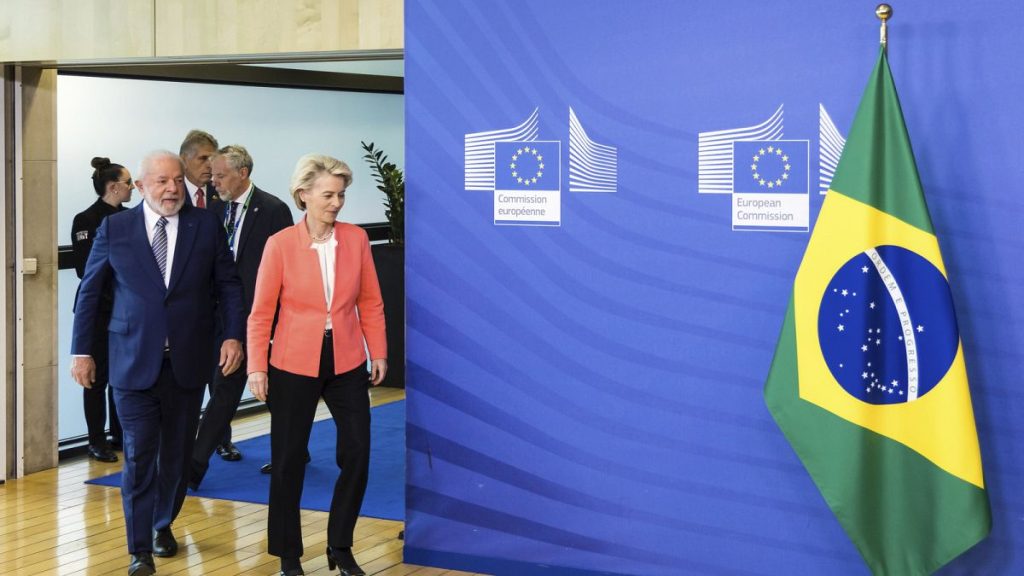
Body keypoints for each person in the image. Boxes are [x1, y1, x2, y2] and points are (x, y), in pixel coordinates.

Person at [70, 150, 245, 576]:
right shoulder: (116, 228)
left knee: (177, 456)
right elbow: (90, 293)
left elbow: (229, 285)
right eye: (162, 181)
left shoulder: (205, 226)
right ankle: (139, 549)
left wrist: (233, 335)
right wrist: (81, 351)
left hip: (187, 362)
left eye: (177, 181)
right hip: (132, 363)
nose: (172, 189)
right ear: (142, 187)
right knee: (139, 453)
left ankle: (163, 522)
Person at [248, 154, 387, 576]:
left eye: (341, 194)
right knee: (289, 459)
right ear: (303, 194)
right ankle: (290, 556)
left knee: (358, 453)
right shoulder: (280, 245)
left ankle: (340, 547)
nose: (337, 203)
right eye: (328, 194)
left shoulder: (357, 239)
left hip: (346, 360)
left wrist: (377, 351)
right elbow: (260, 312)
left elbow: (371, 301)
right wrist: (257, 366)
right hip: (292, 362)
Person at [188, 145, 293, 490]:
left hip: (257, 314)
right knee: (236, 384)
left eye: (220, 175)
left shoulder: (274, 210)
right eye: (212, 174)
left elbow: (285, 269)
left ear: (243, 173)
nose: (213, 181)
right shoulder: (214, 209)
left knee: (227, 384)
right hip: (218, 312)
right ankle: (295, 449)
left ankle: (194, 465)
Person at [71, 157, 132, 463]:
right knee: (96, 377)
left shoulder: (133, 218)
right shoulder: (86, 220)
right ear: (113, 187)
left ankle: (120, 434)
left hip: (125, 308)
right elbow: (85, 268)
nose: (132, 187)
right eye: (128, 182)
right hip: (97, 310)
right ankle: (96, 439)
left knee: (122, 375)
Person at [179, 129, 222, 211]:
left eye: (213, 159)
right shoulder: (173, 193)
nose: (210, 165)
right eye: (203, 158)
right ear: (183, 160)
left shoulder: (221, 192)